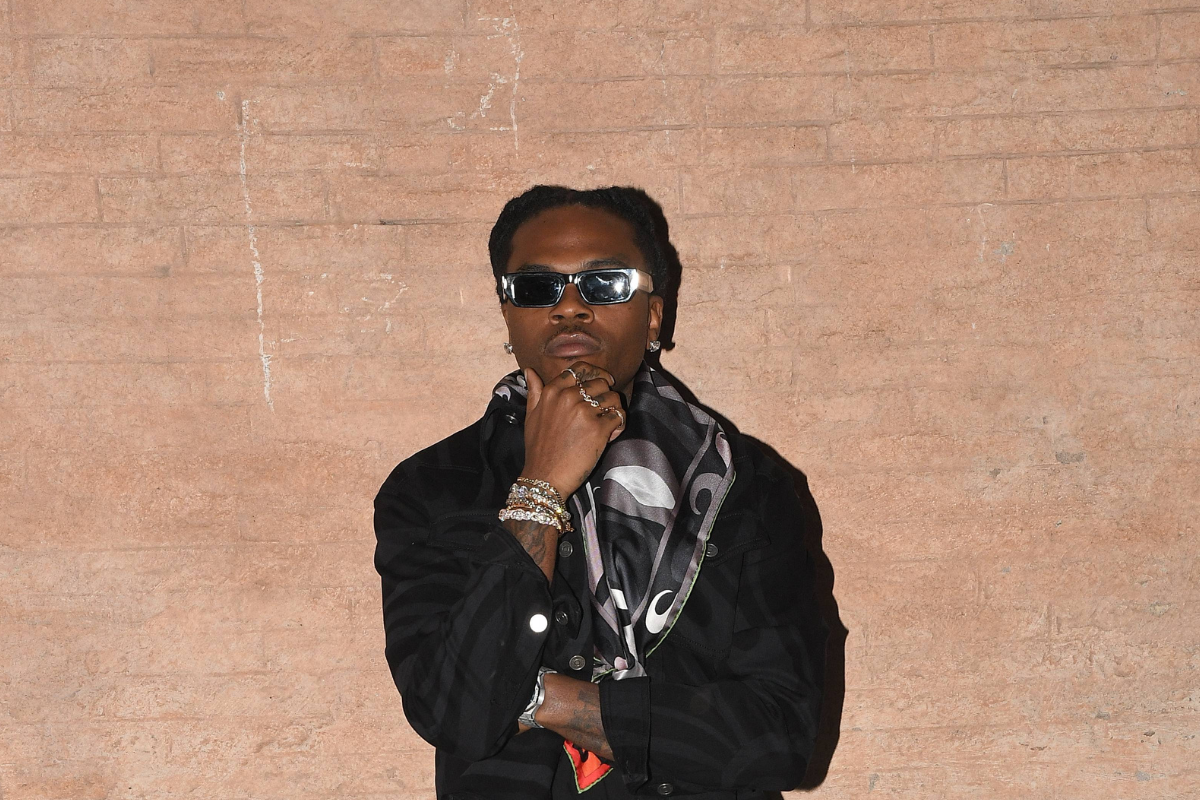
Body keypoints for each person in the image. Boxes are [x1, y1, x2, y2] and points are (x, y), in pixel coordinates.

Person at [373, 185, 827, 799]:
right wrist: (540, 489)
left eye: (604, 284)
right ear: (507, 314)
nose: (569, 307)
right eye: (538, 287)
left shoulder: (743, 486)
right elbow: (456, 712)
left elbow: (780, 740)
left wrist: (543, 697)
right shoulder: (434, 488)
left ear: (654, 315)